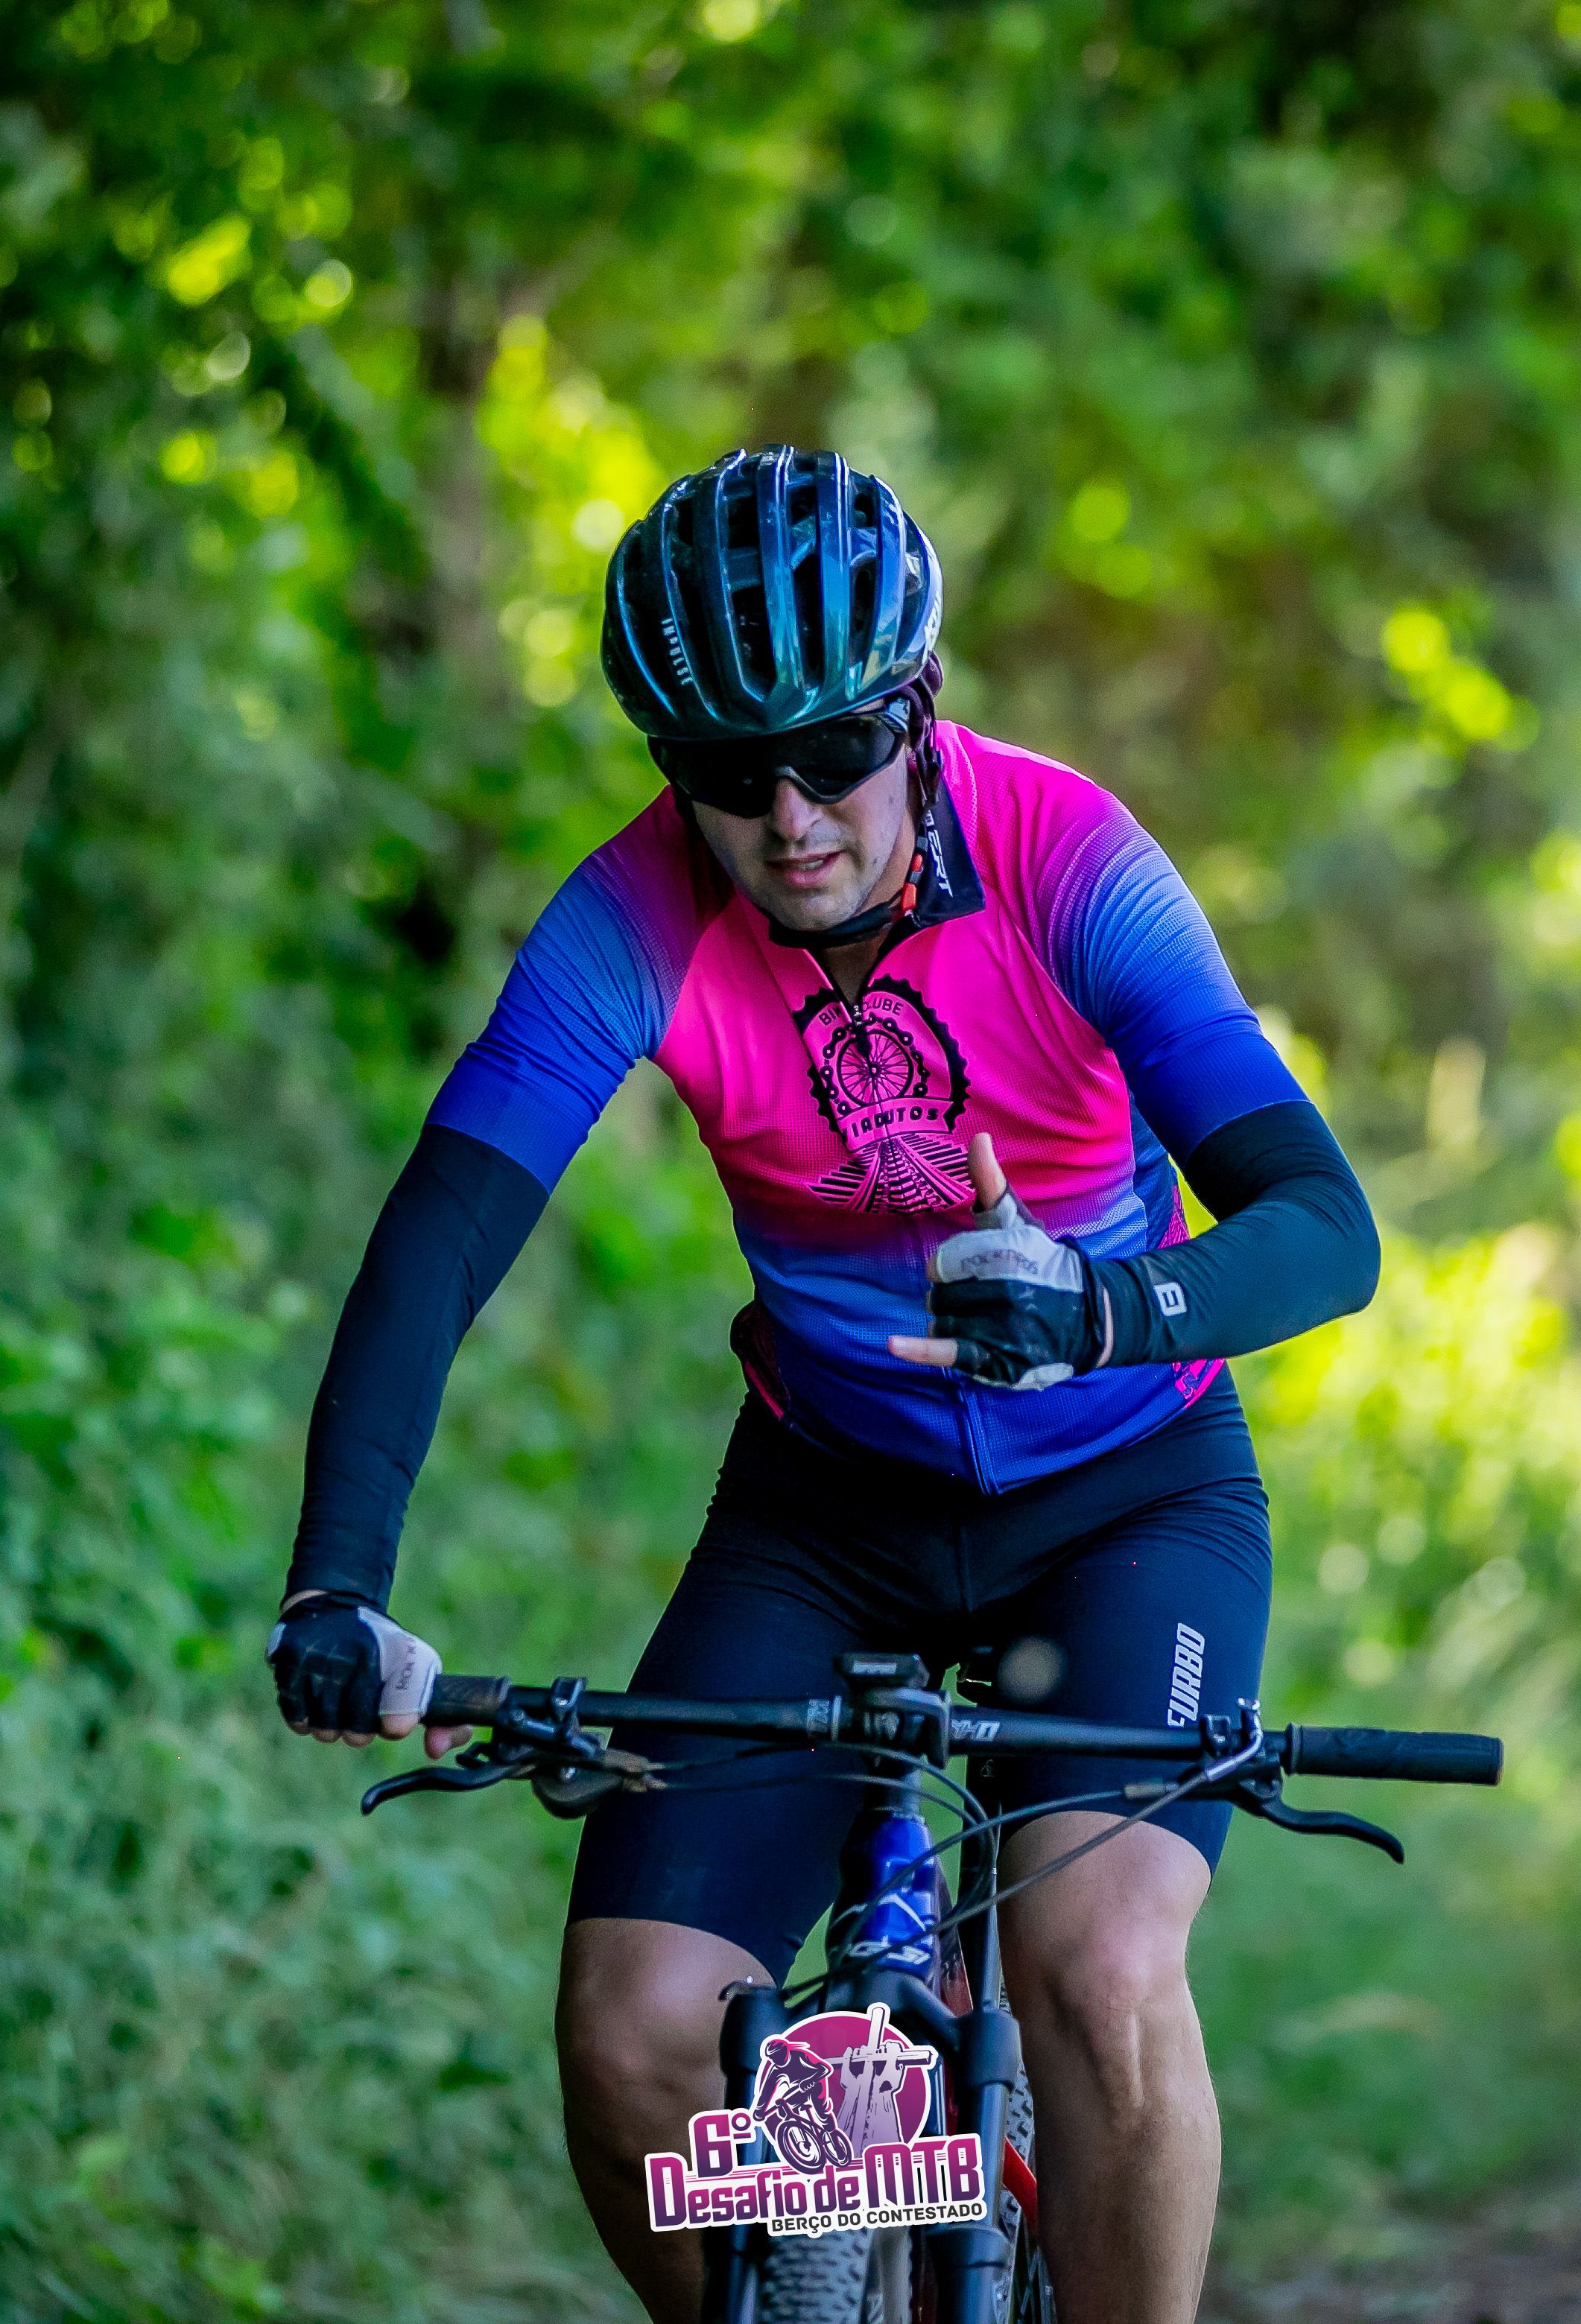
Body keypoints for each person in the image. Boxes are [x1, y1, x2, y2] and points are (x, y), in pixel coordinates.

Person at [265, 448, 1378, 2324]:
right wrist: (338, 1580)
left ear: (916, 710)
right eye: (725, 773)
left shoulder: (1067, 858)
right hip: (827, 1512)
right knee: (634, 2022)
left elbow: (1323, 1228)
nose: (788, 820)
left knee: (1094, 1972)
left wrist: (1105, 1307)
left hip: (1129, 1499)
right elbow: (438, 1245)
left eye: (837, 751)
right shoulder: (631, 916)